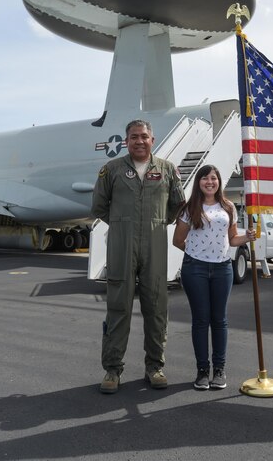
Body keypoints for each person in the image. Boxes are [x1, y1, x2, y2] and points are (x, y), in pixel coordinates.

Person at [92, 119, 185, 393]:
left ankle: (155, 367)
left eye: (144, 136)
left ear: (152, 140)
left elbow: (178, 206)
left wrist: (156, 223)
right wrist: (123, 224)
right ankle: (112, 370)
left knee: (156, 309)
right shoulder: (111, 170)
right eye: (133, 137)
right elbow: (99, 206)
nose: (139, 141)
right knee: (118, 307)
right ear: (126, 141)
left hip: (155, 247)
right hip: (122, 247)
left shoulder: (167, 170)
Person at [173, 164, 255, 390]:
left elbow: (232, 240)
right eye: (205, 178)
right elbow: (178, 241)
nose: (209, 182)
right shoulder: (190, 208)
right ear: (198, 182)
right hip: (195, 268)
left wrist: (246, 237)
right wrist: (197, 253)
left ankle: (219, 370)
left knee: (219, 320)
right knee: (201, 320)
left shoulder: (228, 207)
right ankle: (202, 371)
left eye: (214, 178)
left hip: (222, 269)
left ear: (219, 182)